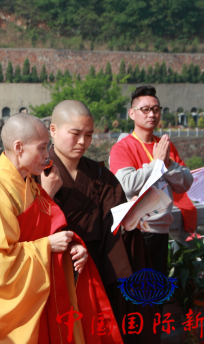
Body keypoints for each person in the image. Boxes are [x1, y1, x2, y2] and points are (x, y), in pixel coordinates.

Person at [0, 113, 122, 344]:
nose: (47, 155)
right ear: (19, 147)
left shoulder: (30, 183)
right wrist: (47, 246)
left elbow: (50, 228)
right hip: (13, 316)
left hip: (39, 298)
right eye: (42, 148)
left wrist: (72, 246)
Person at [39, 100, 156, 343]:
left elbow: (114, 223)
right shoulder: (37, 172)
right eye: (75, 134)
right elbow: (28, 224)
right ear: (53, 130)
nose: (83, 142)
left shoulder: (100, 175)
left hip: (98, 268)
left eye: (89, 135)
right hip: (54, 269)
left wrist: (129, 224)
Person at [110, 85, 195, 276]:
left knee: (156, 292)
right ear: (131, 113)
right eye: (145, 109)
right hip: (136, 231)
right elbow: (126, 185)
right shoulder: (122, 148)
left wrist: (169, 164)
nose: (152, 114)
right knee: (136, 291)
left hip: (162, 229)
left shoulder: (165, 145)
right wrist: (156, 164)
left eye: (156, 110)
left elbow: (186, 183)